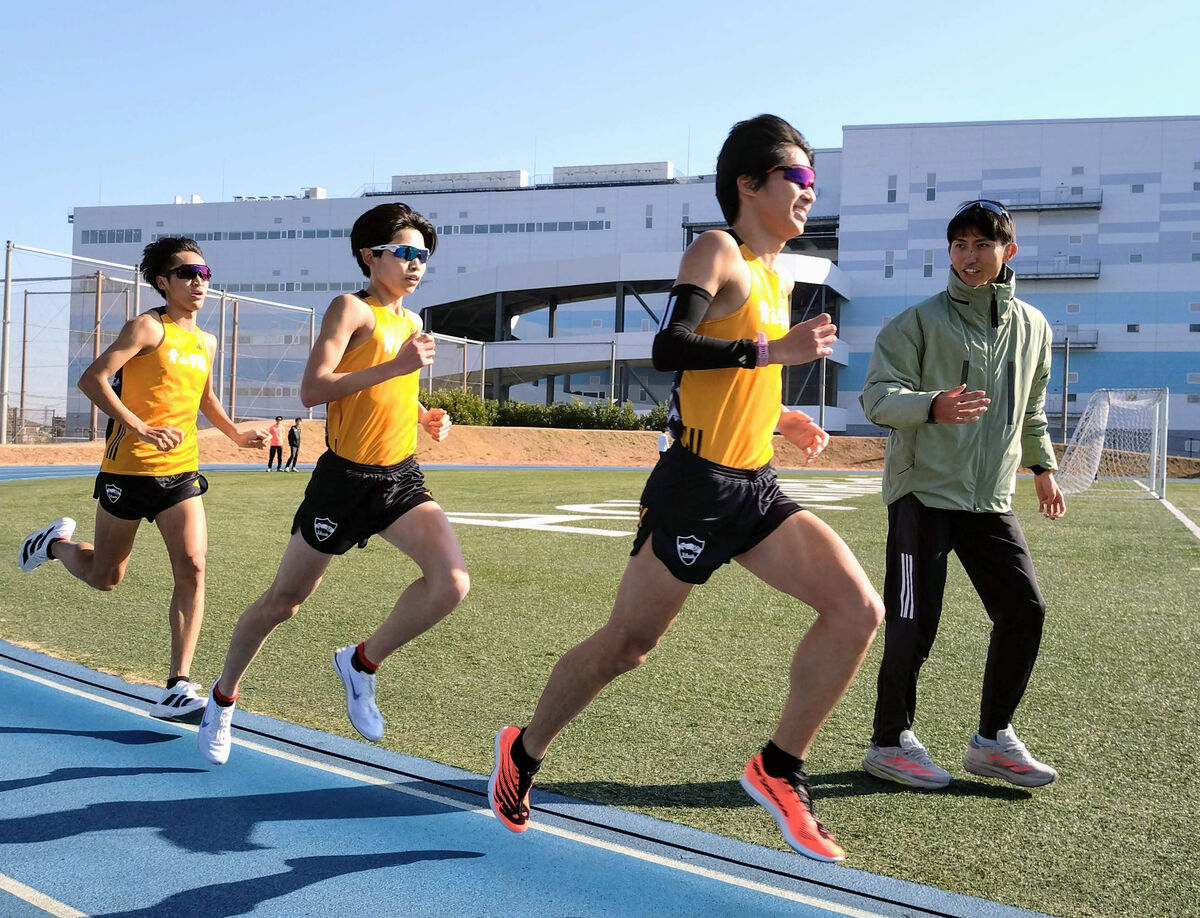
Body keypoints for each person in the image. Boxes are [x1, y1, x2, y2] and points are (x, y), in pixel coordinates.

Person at [489, 115, 884, 862]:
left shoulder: (773, 274)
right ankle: (525, 751)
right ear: (749, 184)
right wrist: (773, 350)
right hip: (694, 488)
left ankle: (778, 767)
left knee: (857, 609)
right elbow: (669, 348)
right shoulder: (719, 250)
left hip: (754, 486)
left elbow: (727, 382)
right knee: (629, 645)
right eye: (799, 179)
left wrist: (780, 416)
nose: (810, 193)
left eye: (813, 183)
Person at [197, 202, 468, 765]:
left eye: (425, 256)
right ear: (370, 256)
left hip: (400, 476)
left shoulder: (411, 323)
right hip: (344, 481)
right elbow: (315, 389)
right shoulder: (352, 309)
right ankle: (223, 698)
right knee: (285, 601)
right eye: (406, 253)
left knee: (451, 584)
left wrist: (423, 414)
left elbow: (389, 388)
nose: (417, 265)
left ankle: (360, 663)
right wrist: (397, 368)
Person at [859, 199, 1064, 791]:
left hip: (989, 497)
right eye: (959, 246)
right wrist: (932, 405)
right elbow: (876, 398)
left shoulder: (1035, 327)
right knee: (913, 620)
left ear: (1009, 252)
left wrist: (1042, 468)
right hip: (921, 490)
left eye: (982, 245)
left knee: (1024, 611)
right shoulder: (917, 322)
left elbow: (1031, 409)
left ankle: (992, 741)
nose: (970, 257)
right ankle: (889, 742)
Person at [18, 237, 267, 719]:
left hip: (180, 472)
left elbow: (202, 396)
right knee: (105, 578)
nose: (199, 282)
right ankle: (54, 545)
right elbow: (92, 378)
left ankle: (177, 683)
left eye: (204, 273)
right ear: (162, 282)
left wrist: (235, 435)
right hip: (126, 471)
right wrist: (140, 426)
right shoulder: (147, 328)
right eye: (187, 274)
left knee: (193, 568)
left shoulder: (207, 341)